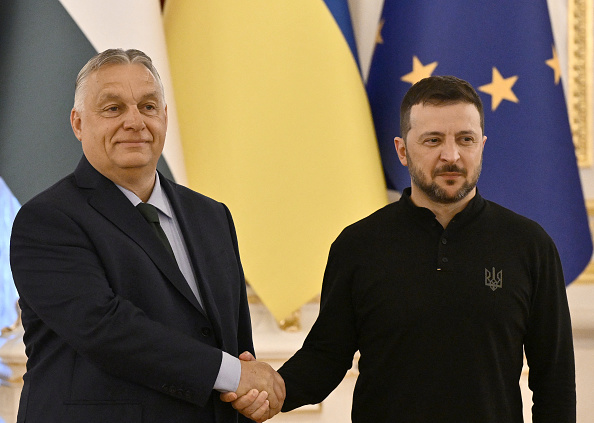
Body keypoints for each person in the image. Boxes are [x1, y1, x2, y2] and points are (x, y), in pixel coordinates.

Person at [224, 75, 576, 422]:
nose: (451, 155)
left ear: (482, 145)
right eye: (433, 140)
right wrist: (272, 388)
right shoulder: (358, 246)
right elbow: (326, 357)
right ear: (402, 151)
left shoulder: (530, 246)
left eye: (465, 139)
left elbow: (555, 381)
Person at [10, 48, 284, 423]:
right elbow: (107, 330)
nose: (135, 121)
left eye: (148, 106)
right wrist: (235, 374)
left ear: (165, 118)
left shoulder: (212, 215)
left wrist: (249, 391)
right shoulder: (46, 220)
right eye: (113, 109)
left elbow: (234, 346)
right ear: (77, 123)